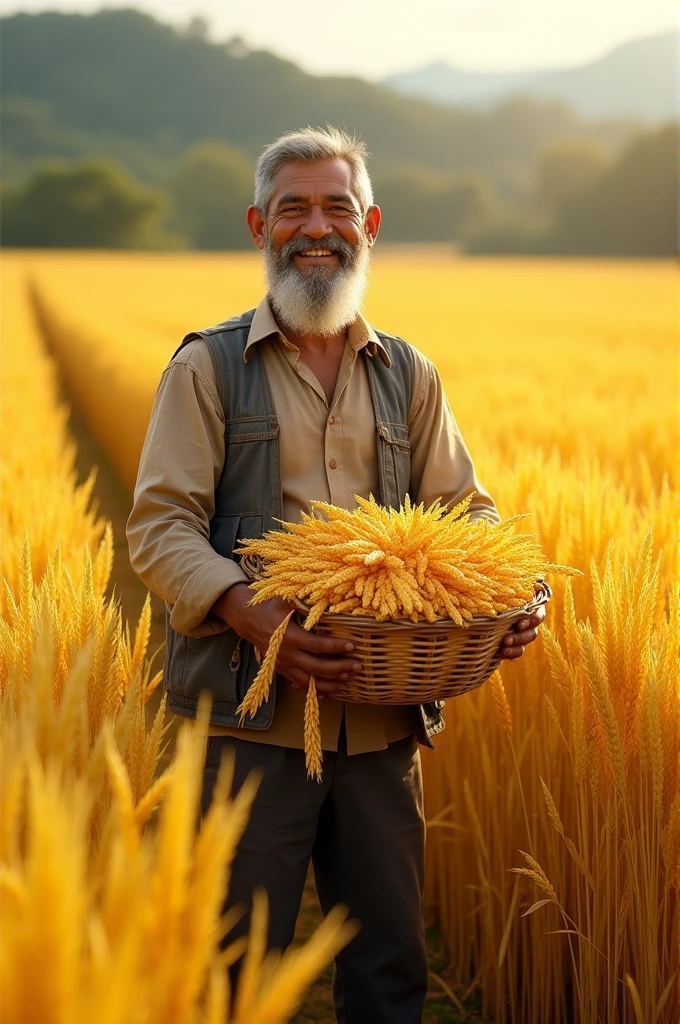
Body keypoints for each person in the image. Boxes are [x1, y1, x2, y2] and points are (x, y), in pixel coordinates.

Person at [126, 126, 546, 1023]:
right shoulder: (208, 368)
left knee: (390, 969)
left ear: (371, 224)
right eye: (293, 209)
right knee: (236, 971)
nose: (317, 228)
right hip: (249, 726)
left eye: (337, 208)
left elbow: (470, 515)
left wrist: (509, 595)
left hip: (384, 728)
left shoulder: (409, 374)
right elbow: (159, 529)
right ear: (258, 226)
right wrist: (250, 613)